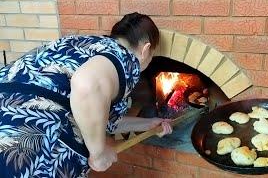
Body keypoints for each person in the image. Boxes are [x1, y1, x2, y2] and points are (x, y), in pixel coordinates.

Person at [0, 12, 172, 177]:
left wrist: (149, 124)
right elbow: (86, 84)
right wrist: (98, 152)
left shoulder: (82, 43)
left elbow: (96, 117)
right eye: (152, 56)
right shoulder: (125, 58)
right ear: (146, 49)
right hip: (23, 143)